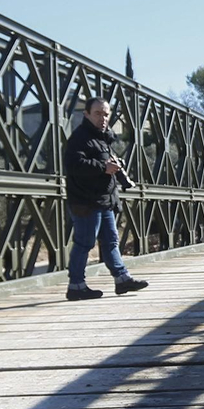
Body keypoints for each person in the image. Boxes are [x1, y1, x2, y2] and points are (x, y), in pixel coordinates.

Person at [63, 97, 148, 301]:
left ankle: (122, 279)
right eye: (98, 113)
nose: (103, 118)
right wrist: (103, 167)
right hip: (86, 201)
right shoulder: (80, 137)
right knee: (84, 243)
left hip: (104, 201)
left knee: (111, 241)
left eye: (106, 114)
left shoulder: (101, 138)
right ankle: (76, 286)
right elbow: (73, 165)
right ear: (87, 115)